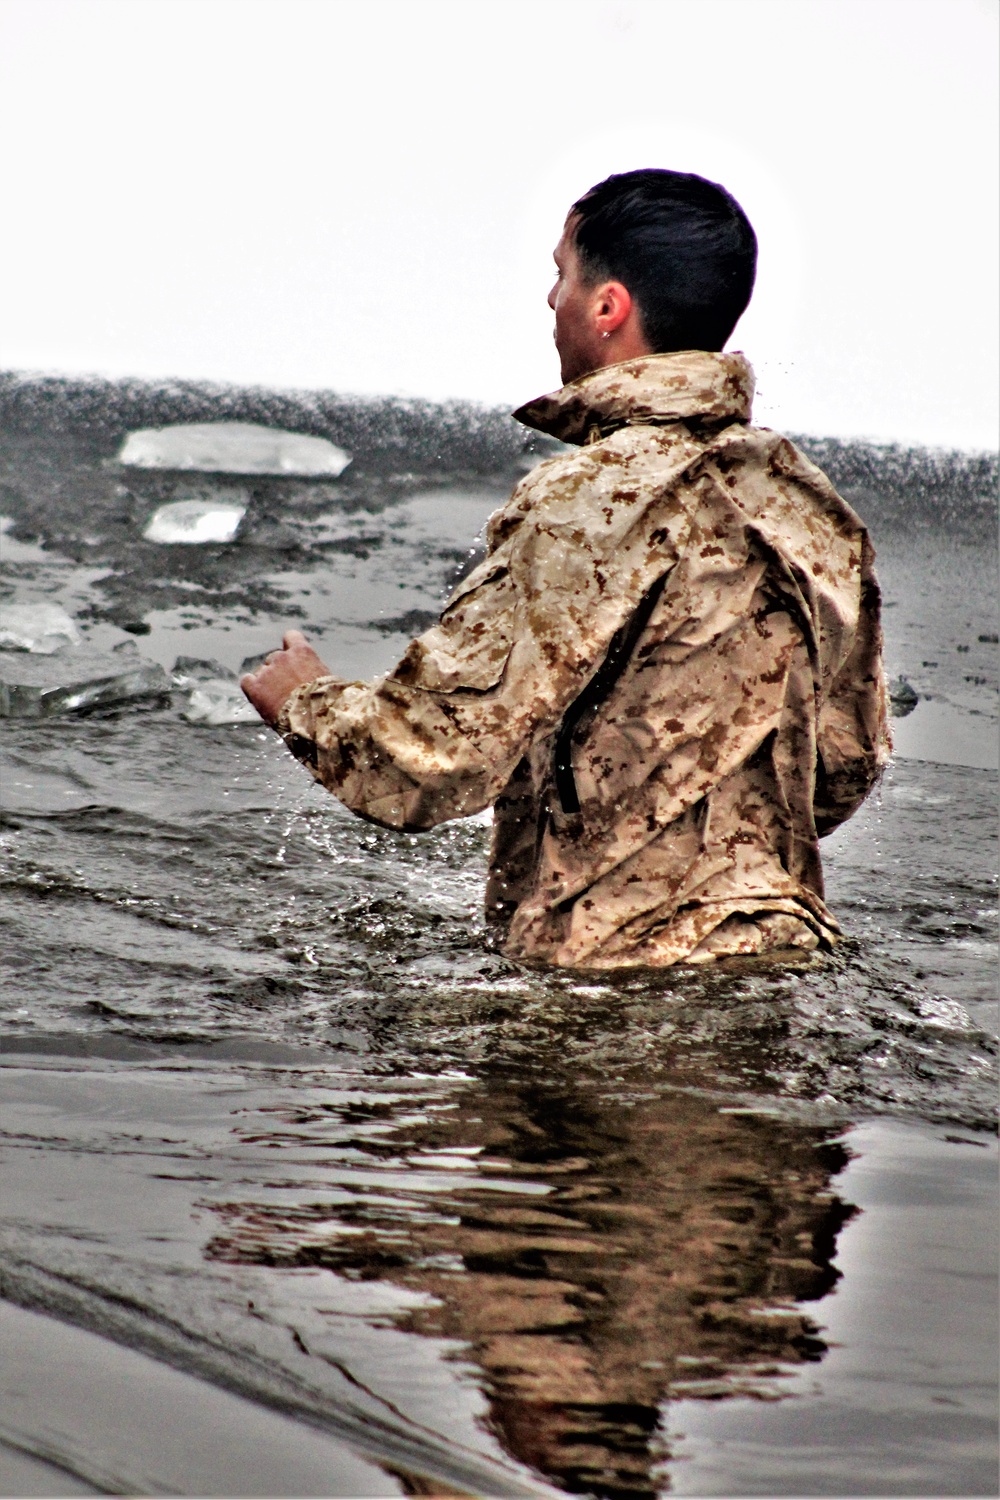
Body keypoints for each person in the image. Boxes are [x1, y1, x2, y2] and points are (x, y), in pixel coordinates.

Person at [242, 169, 889, 969]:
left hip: (612, 975)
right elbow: (843, 769)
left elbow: (440, 755)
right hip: (782, 959)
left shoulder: (588, 497)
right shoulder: (808, 505)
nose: (552, 300)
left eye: (561, 275)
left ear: (608, 306)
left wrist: (304, 703)